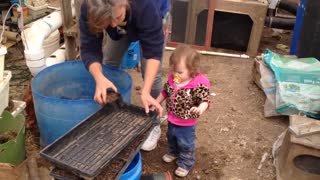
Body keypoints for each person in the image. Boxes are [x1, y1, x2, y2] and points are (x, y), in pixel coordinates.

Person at [79, 0, 166, 117]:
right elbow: (89, 48)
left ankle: (153, 117)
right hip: (126, 13)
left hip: (152, 13)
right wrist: (99, 77)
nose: (113, 25)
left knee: (152, 78)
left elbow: (153, 52)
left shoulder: (146, 5)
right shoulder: (89, 7)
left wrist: (145, 91)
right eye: (108, 21)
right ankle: (111, 111)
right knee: (109, 65)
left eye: (117, 17)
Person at [152, 45, 211, 177]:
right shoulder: (173, 80)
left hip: (187, 123)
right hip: (172, 117)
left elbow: (205, 100)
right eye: (174, 70)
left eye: (179, 72)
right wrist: (156, 101)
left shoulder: (198, 83)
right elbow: (165, 92)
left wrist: (200, 108)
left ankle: (186, 162)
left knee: (185, 142)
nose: (175, 75)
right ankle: (173, 152)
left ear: (192, 70)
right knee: (171, 137)